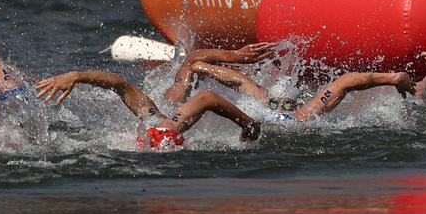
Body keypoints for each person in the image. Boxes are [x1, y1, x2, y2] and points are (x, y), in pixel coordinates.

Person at [35, 69, 262, 149]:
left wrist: (77, 76)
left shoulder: (155, 117)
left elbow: (120, 84)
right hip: (159, 144)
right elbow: (206, 96)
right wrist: (248, 124)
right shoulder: (162, 121)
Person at [163, 50, 416, 121]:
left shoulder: (258, 99)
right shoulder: (303, 115)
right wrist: (392, 77)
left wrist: (235, 57)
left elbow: (197, 63)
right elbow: (345, 81)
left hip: (177, 114)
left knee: (181, 100)